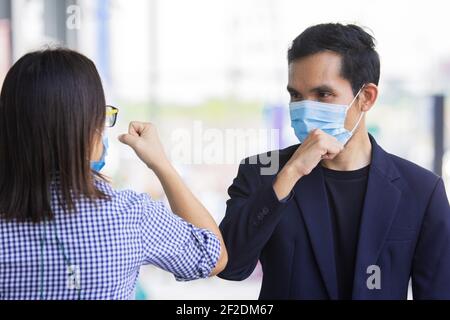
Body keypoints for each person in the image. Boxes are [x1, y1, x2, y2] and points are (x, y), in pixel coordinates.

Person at [218, 23, 450, 300]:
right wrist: (290, 174)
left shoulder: (422, 190)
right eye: (296, 95)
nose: (305, 108)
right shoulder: (261, 173)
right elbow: (230, 266)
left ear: (365, 97)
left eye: (323, 95)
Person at [0, 48, 227, 300]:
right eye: (102, 117)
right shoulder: (129, 216)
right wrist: (161, 163)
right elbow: (212, 256)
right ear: (87, 128)